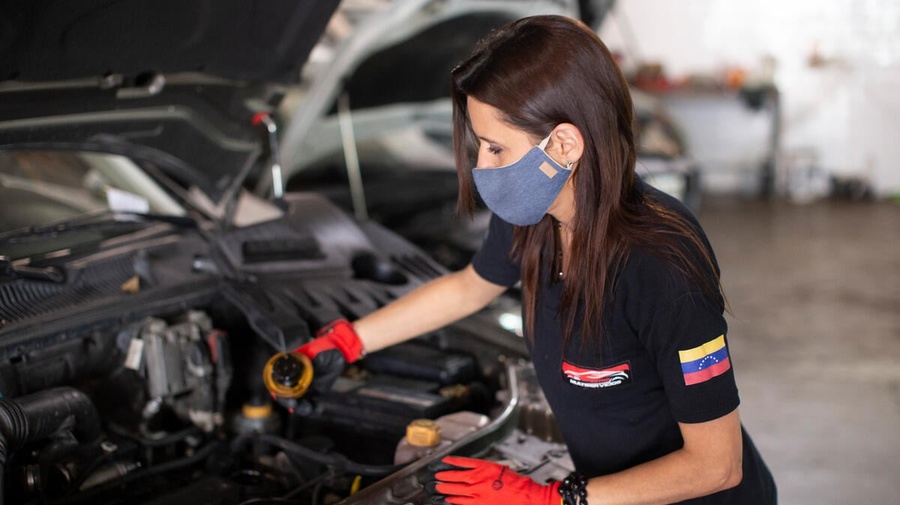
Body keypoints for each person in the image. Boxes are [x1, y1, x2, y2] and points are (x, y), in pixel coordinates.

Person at [295, 14, 776, 505]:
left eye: (497, 148)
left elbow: (718, 465)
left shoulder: (662, 267)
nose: (484, 167)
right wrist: (349, 340)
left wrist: (551, 501)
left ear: (564, 145)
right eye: (481, 146)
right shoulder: (537, 213)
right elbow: (468, 287)